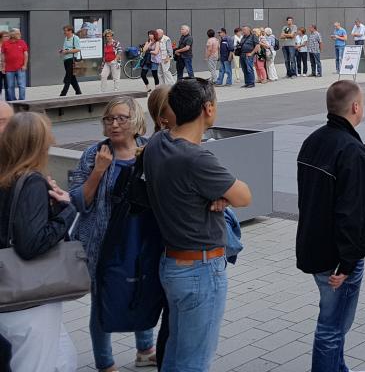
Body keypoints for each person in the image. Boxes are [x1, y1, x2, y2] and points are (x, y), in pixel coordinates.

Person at [144, 79, 251, 372]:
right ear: (208, 108)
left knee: (177, 354)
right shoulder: (196, 158)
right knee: (193, 363)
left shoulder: (157, 143)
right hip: (200, 270)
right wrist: (223, 196)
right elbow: (243, 195)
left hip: (172, 264)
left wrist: (218, 196)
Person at [69, 96, 157, 372]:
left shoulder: (151, 150)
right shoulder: (93, 154)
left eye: (122, 118)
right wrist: (98, 170)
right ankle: (105, 363)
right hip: (102, 241)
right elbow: (78, 202)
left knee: (143, 291)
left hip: (141, 237)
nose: (115, 124)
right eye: (109, 119)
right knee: (102, 301)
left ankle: (146, 349)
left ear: (136, 121)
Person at [296, 81, 365, 372]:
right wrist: (346, 264)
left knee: (334, 322)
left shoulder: (313, 141)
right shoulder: (351, 150)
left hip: (315, 249)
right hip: (337, 259)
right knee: (332, 328)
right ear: (355, 107)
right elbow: (351, 213)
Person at [0, 111, 78, 372]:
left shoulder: (6, 176)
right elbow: (31, 243)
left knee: (63, 357)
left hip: (9, 292)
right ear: (37, 143)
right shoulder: (31, 180)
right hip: (30, 298)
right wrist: (67, 211)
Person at [3, 28, 29, 101]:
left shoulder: (22, 42)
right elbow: (3, 56)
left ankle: (22, 100)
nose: (20, 35)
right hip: (9, 69)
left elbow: (26, 54)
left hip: (20, 68)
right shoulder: (5, 43)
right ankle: (12, 101)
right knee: (10, 86)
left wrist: (25, 65)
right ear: (12, 35)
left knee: (22, 85)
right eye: (18, 33)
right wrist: (3, 66)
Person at [58, 24, 84, 96]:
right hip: (66, 60)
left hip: (72, 60)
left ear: (70, 31)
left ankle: (63, 94)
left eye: (65, 31)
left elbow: (78, 49)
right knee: (72, 77)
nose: (64, 32)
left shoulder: (75, 38)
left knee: (68, 77)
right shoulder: (66, 38)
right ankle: (78, 92)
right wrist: (62, 50)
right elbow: (66, 48)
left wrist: (67, 51)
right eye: (64, 31)